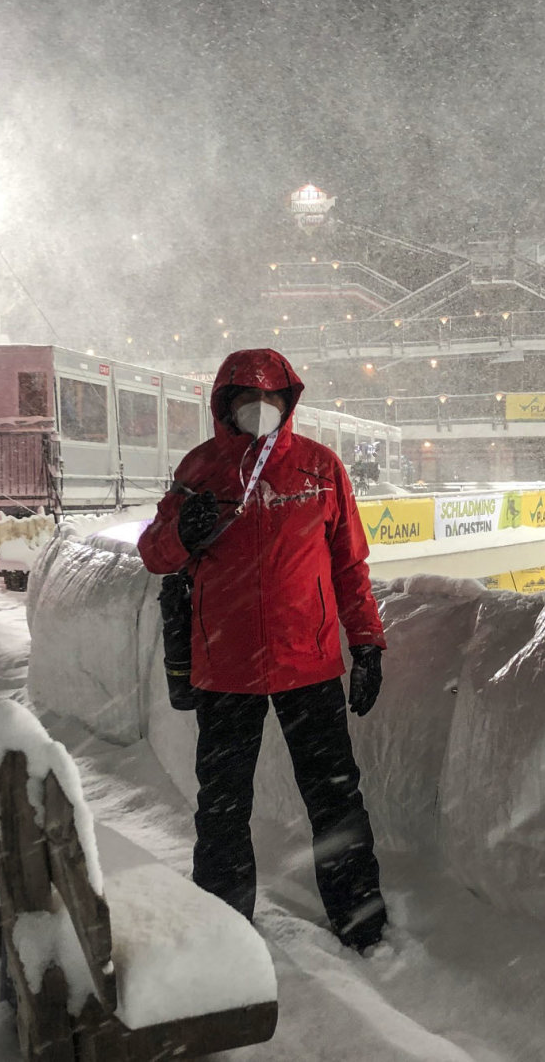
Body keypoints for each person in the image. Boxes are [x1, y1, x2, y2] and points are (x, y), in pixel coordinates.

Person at [138, 346, 389, 952]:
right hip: (225, 670)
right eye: (245, 399)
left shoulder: (321, 468)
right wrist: (182, 532)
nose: (258, 409)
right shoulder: (198, 472)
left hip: (308, 665)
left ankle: (361, 920)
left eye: (269, 398)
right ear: (225, 405)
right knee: (222, 809)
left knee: (333, 799)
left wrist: (368, 644)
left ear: (288, 402)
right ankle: (222, 926)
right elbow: (154, 553)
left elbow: (350, 566)